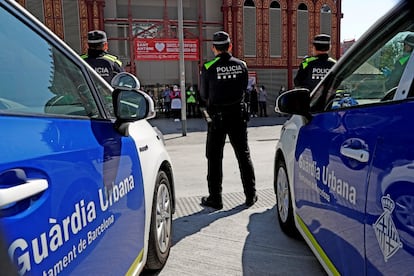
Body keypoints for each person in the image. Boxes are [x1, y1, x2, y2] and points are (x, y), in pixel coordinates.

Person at [199, 31, 257, 210]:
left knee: (214, 157)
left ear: (214, 48)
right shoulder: (242, 65)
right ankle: (250, 195)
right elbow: (245, 90)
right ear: (230, 46)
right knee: (243, 155)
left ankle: (215, 199)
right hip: (238, 116)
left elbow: (203, 94)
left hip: (218, 118)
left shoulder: (208, 67)